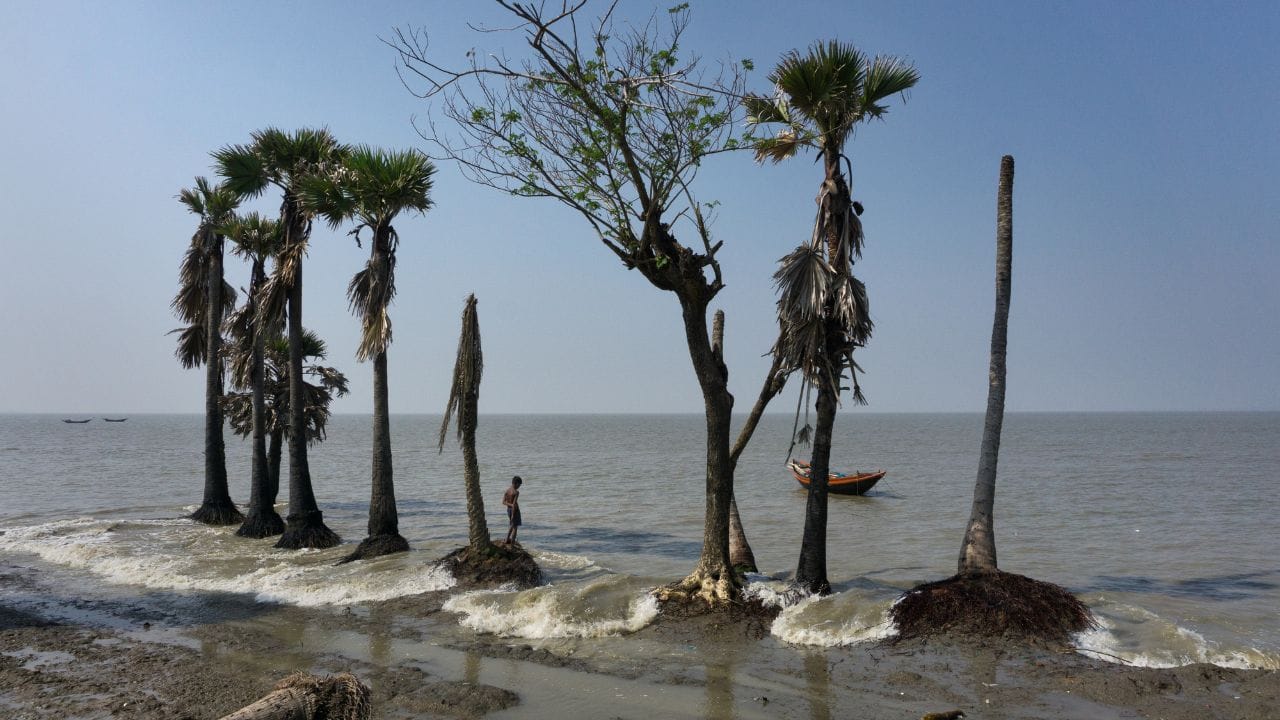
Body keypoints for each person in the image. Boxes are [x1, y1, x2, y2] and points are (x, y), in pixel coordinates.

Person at [502, 476, 523, 544]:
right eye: (519, 484)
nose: (519, 486)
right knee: (515, 528)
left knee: (512, 525)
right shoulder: (516, 492)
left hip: (508, 510)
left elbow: (503, 502)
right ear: (515, 483)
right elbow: (514, 505)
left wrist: (510, 505)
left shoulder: (507, 491)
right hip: (515, 511)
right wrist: (513, 515)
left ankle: (507, 539)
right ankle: (512, 544)